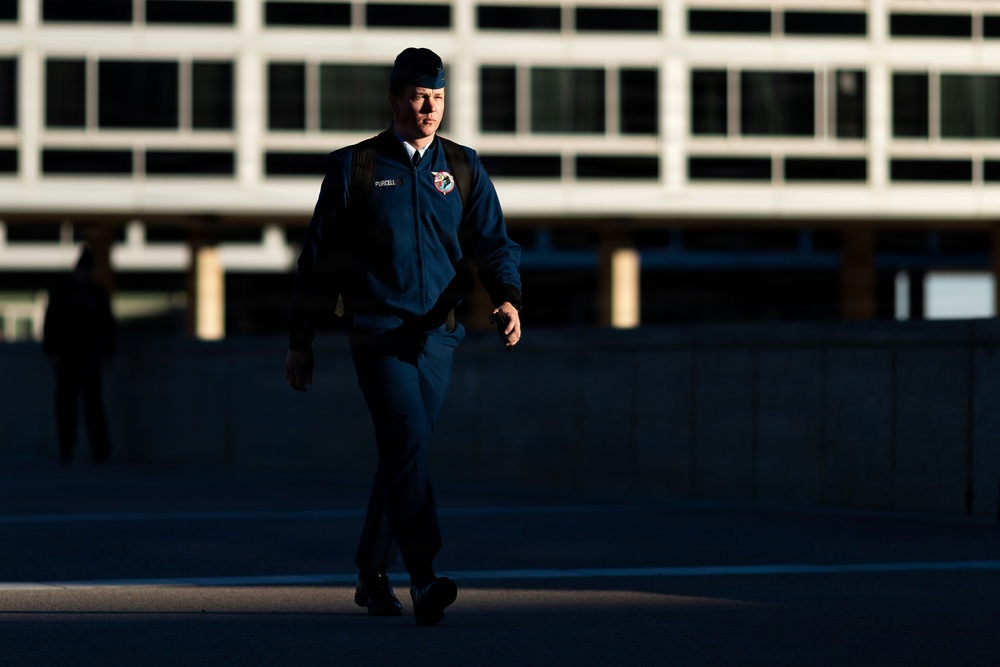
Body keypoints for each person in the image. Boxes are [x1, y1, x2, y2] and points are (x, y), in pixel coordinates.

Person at [284, 47, 522, 626]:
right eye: (419, 97)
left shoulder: (462, 167)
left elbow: (492, 242)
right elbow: (319, 259)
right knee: (407, 440)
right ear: (394, 101)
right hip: (378, 332)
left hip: (437, 336)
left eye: (437, 97)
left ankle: (371, 573)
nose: (429, 108)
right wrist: (301, 338)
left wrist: (507, 297)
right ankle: (423, 576)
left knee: (404, 450)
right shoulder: (356, 167)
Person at [43, 245, 116, 463]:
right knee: (67, 405)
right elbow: (51, 324)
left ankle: (99, 450)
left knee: (92, 404)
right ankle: (67, 448)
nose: (84, 274)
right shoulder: (63, 292)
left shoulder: (97, 294)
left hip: (89, 357)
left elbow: (108, 326)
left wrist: (108, 352)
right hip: (67, 357)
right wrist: (52, 352)